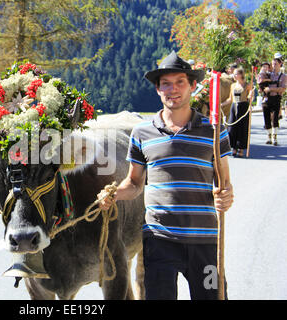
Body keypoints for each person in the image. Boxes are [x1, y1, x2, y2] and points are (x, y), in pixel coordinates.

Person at [97, 51, 234, 300]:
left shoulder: (214, 131)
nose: (173, 89)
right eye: (165, 84)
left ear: (193, 85)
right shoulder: (141, 133)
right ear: (158, 90)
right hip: (159, 240)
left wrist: (225, 196)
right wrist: (113, 194)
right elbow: (135, 183)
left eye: (180, 82)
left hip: (204, 240)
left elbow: (224, 183)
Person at [221, 68, 254, 157]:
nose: (234, 76)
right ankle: (234, 147)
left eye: (236, 74)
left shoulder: (247, 85)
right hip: (234, 107)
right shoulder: (233, 85)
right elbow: (230, 99)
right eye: (234, 74)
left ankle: (241, 148)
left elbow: (250, 98)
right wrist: (221, 104)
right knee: (232, 128)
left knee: (242, 128)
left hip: (243, 107)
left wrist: (251, 95)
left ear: (241, 75)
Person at [262, 58, 286, 146]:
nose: (273, 66)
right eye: (272, 64)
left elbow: (282, 89)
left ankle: (275, 137)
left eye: (275, 64)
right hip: (267, 98)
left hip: (276, 98)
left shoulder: (283, 76)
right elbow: (261, 81)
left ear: (280, 64)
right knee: (266, 118)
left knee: (275, 118)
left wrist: (271, 89)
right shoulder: (268, 75)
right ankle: (268, 136)